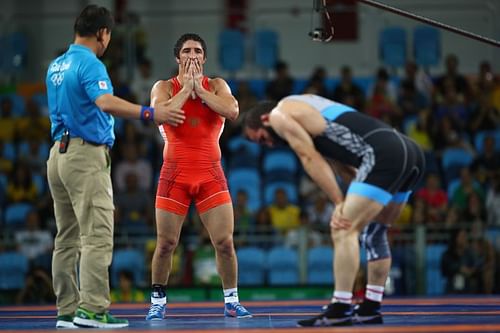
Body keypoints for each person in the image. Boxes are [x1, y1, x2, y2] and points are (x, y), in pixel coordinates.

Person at [45, 5, 183, 329]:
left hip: (58, 156)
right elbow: (105, 102)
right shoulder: (90, 63)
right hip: (84, 156)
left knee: (66, 238)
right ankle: (92, 310)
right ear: (103, 34)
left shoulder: (56, 65)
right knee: (96, 236)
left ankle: (66, 310)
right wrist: (150, 113)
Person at [243, 94, 425, 326]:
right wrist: (348, 200)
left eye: (261, 139)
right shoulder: (309, 107)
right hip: (410, 152)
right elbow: (344, 166)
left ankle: (340, 307)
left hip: (382, 153)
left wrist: (339, 203)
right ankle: (371, 307)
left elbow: (309, 157)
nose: (267, 145)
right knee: (375, 232)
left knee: (342, 228)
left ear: (264, 119)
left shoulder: (279, 114)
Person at [145, 33, 251, 320]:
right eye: (187, 51)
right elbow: (159, 113)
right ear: (178, 58)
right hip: (175, 174)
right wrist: (186, 89)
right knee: (166, 244)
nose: (193, 55)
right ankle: (157, 302)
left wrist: (200, 91)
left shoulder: (217, 85)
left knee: (225, 243)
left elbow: (232, 110)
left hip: (209, 174)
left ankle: (231, 300)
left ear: (204, 58)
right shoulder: (164, 86)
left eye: (198, 51)